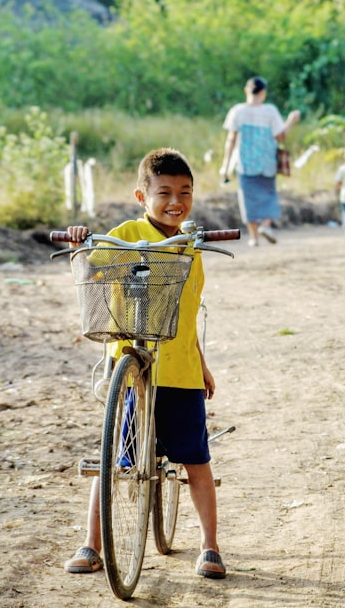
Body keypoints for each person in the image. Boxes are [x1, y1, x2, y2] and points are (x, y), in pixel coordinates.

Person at [62, 148, 227, 580]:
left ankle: (210, 545)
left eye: (185, 192)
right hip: (133, 371)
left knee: (195, 459)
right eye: (165, 192)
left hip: (180, 371)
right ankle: (92, 544)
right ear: (142, 195)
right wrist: (83, 243)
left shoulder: (190, 244)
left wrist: (202, 363)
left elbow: (185, 312)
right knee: (114, 457)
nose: (177, 201)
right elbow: (92, 269)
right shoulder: (126, 233)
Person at [219, 76, 300, 247]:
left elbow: (231, 140)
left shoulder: (237, 111)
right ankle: (266, 226)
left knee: (248, 198)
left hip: (245, 163)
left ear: (246, 91)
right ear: (263, 93)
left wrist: (225, 166)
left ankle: (254, 238)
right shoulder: (270, 111)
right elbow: (280, 135)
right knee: (268, 195)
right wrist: (291, 121)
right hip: (266, 162)